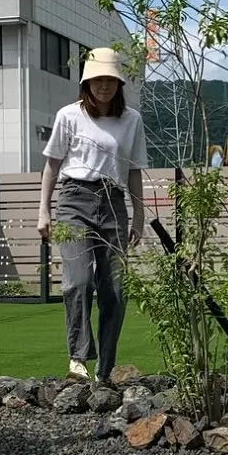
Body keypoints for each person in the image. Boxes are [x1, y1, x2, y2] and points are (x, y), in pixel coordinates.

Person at [37, 47, 148, 384]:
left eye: (110, 80)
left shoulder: (131, 120)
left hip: (114, 203)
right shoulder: (68, 116)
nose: (104, 86)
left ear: (118, 83)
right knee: (78, 282)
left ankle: (106, 368)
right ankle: (79, 359)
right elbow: (53, 165)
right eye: (97, 80)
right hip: (74, 200)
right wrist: (43, 210)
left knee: (115, 289)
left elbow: (133, 172)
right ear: (86, 83)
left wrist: (139, 217)